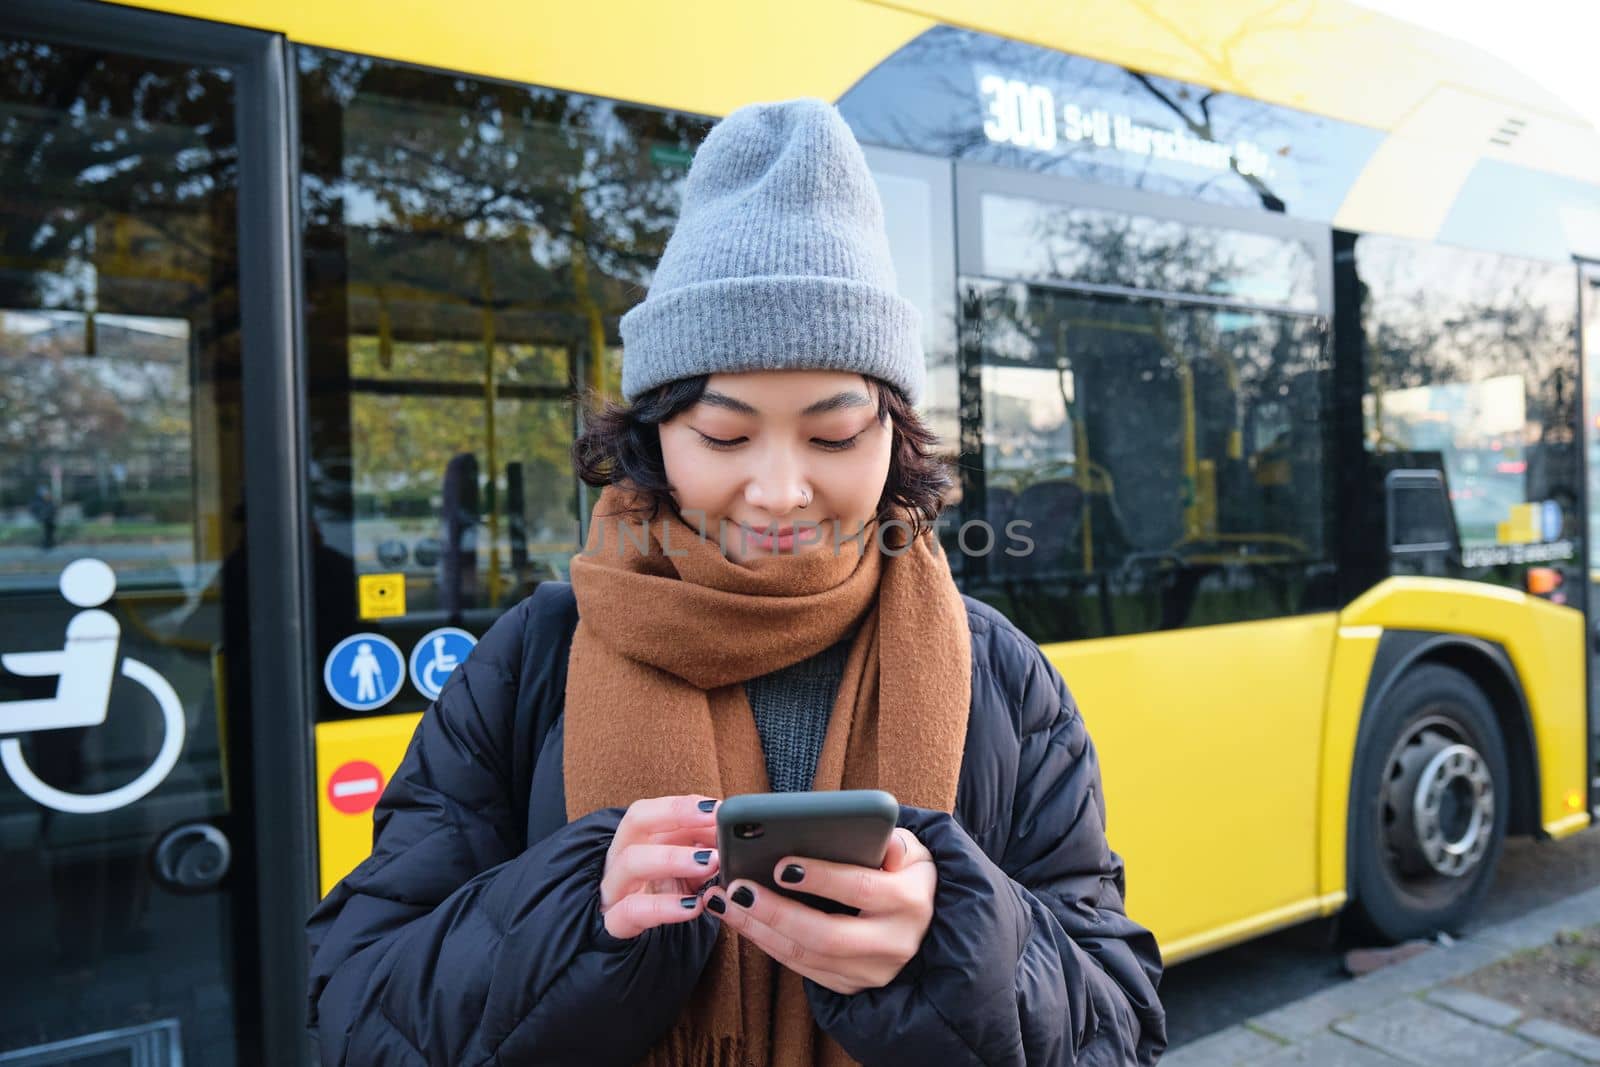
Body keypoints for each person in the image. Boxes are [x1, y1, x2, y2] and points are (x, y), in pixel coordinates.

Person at [306, 97, 1165, 1066]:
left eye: (836, 433)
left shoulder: (999, 674)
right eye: (723, 434)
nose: (780, 488)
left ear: (895, 434)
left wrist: (952, 947)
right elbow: (354, 998)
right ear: (654, 431)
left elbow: (1117, 1021)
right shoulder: (530, 660)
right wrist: (577, 921)